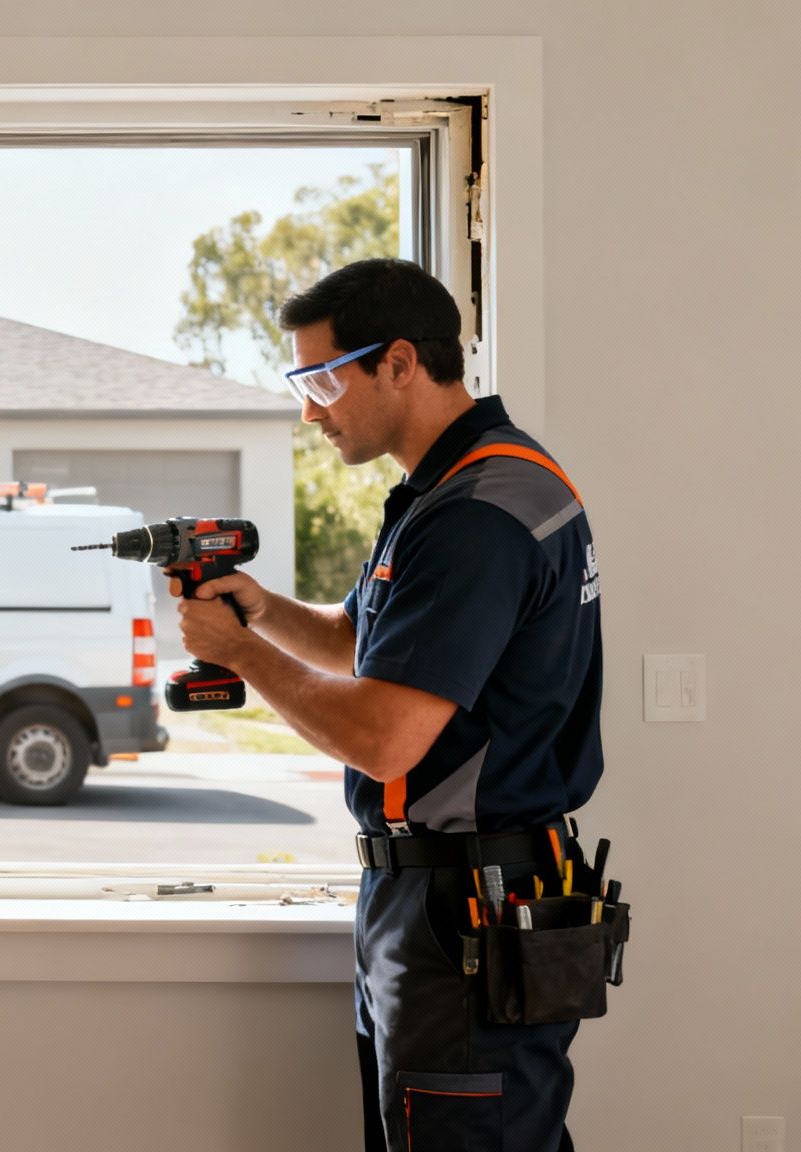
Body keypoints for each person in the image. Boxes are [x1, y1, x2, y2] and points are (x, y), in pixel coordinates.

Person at [173, 258, 604, 1151]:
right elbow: (362, 645)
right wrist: (263, 610)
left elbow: (385, 738)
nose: (311, 411)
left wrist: (240, 653)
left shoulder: (477, 515)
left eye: (323, 380)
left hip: (467, 906)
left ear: (400, 362)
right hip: (437, 896)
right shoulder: (451, 490)